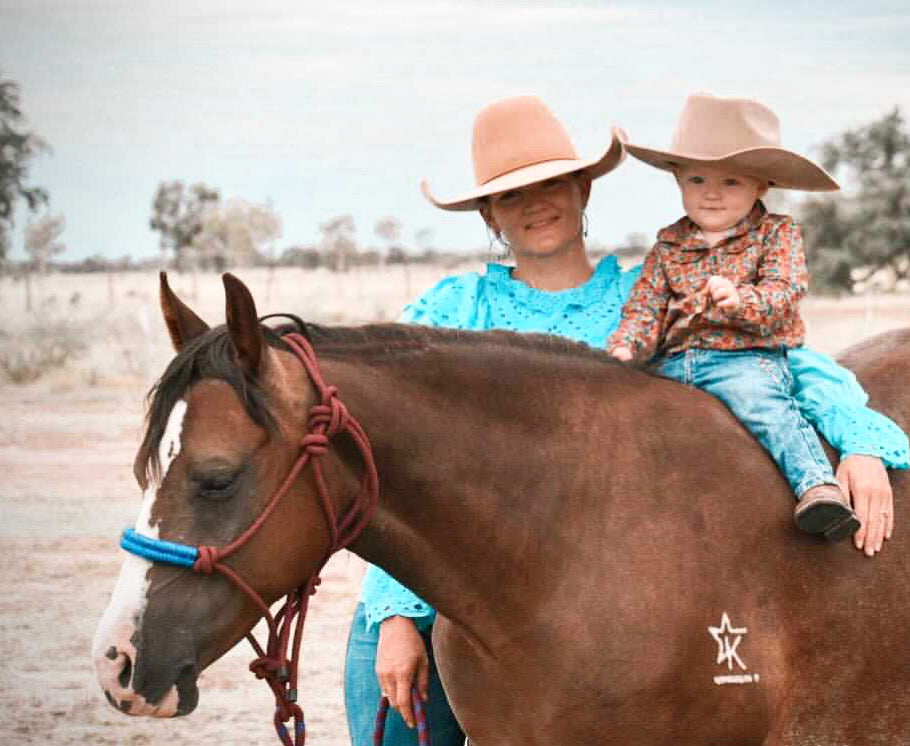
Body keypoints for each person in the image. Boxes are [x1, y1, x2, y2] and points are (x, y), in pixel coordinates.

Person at [343, 95, 909, 746]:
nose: (535, 204)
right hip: (437, 590)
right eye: (510, 195)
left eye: (552, 182)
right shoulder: (448, 316)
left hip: (593, 604)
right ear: (487, 214)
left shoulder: (649, 298)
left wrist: (860, 439)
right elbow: (395, 470)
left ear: (584, 188)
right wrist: (394, 616)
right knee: (385, 716)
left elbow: (780, 360)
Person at [607, 92, 862, 540]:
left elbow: (785, 290)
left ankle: (817, 486)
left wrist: (740, 300)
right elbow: (645, 305)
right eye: (698, 179)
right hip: (673, 360)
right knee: (630, 416)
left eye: (731, 182)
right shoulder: (669, 243)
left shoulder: (776, 233)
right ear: (678, 179)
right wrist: (628, 344)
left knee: (765, 406)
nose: (711, 193)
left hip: (744, 357)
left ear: (761, 185)